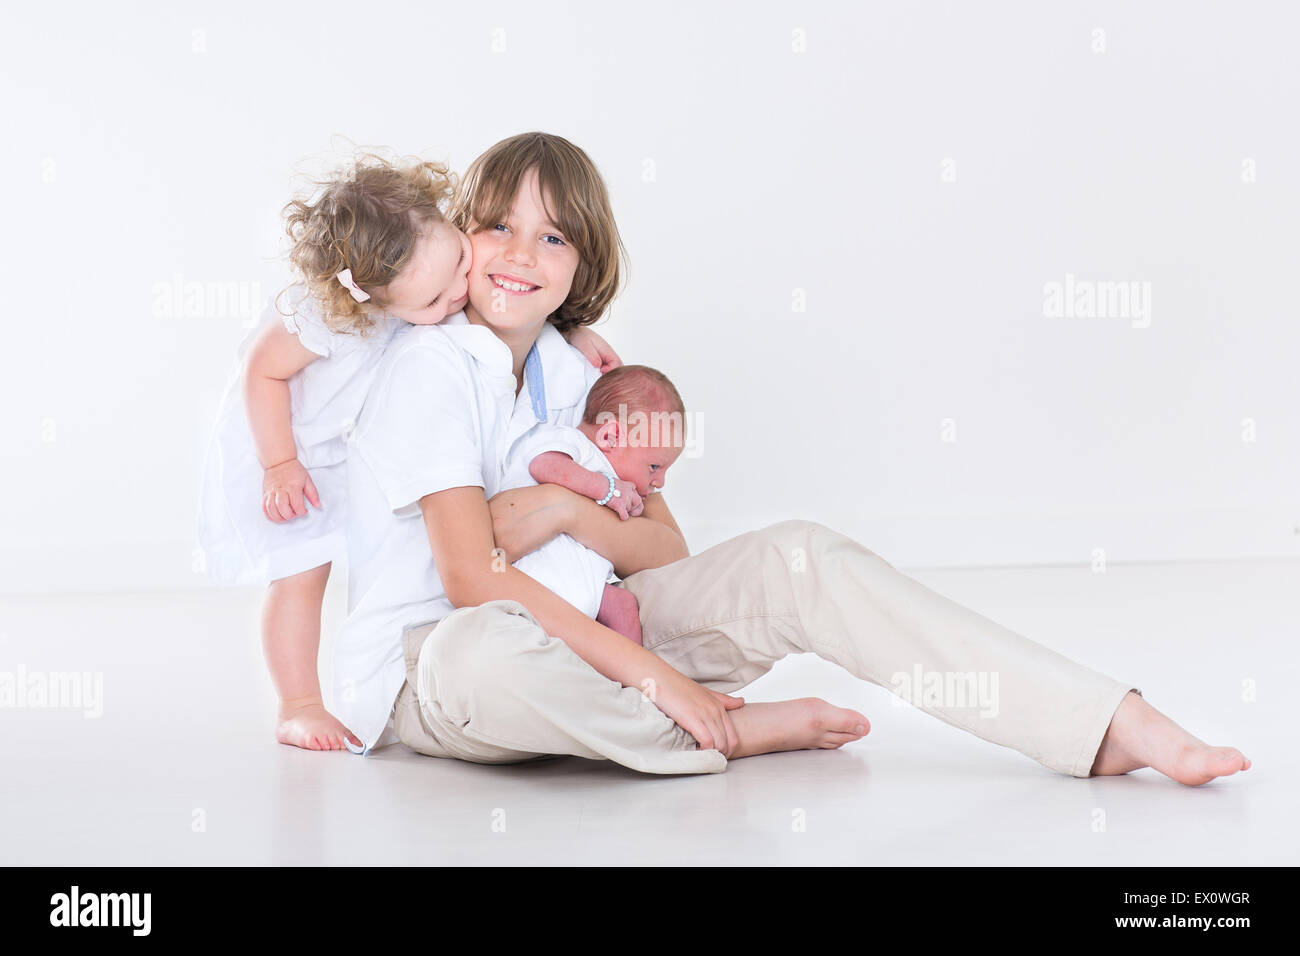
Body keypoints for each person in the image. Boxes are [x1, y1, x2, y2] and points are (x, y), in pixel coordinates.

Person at [334, 131, 1250, 786]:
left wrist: (574, 515)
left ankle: (1101, 723)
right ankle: (719, 733)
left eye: (553, 236)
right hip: (441, 668)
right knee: (485, 653)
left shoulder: (581, 372)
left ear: (583, 263)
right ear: (460, 238)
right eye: (496, 226)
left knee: (800, 556)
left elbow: (666, 551)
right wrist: (658, 675)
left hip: (596, 637)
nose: (518, 254)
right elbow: (470, 580)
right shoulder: (430, 369)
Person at [196, 151, 617, 751]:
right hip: (292, 448)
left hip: (352, 442)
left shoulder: (418, 263)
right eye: (433, 304)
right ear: (368, 299)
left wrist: (570, 329)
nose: (453, 301)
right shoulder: (325, 315)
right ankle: (298, 703)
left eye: (458, 271)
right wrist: (280, 464)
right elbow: (260, 373)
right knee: (301, 572)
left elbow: (505, 307)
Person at [509, 363, 692, 645]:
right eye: (654, 466)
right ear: (610, 436)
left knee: (624, 605)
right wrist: (603, 488)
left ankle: (631, 677)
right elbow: (543, 464)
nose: (660, 482)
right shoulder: (573, 444)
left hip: (587, 588)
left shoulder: (622, 486)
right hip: (536, 579)